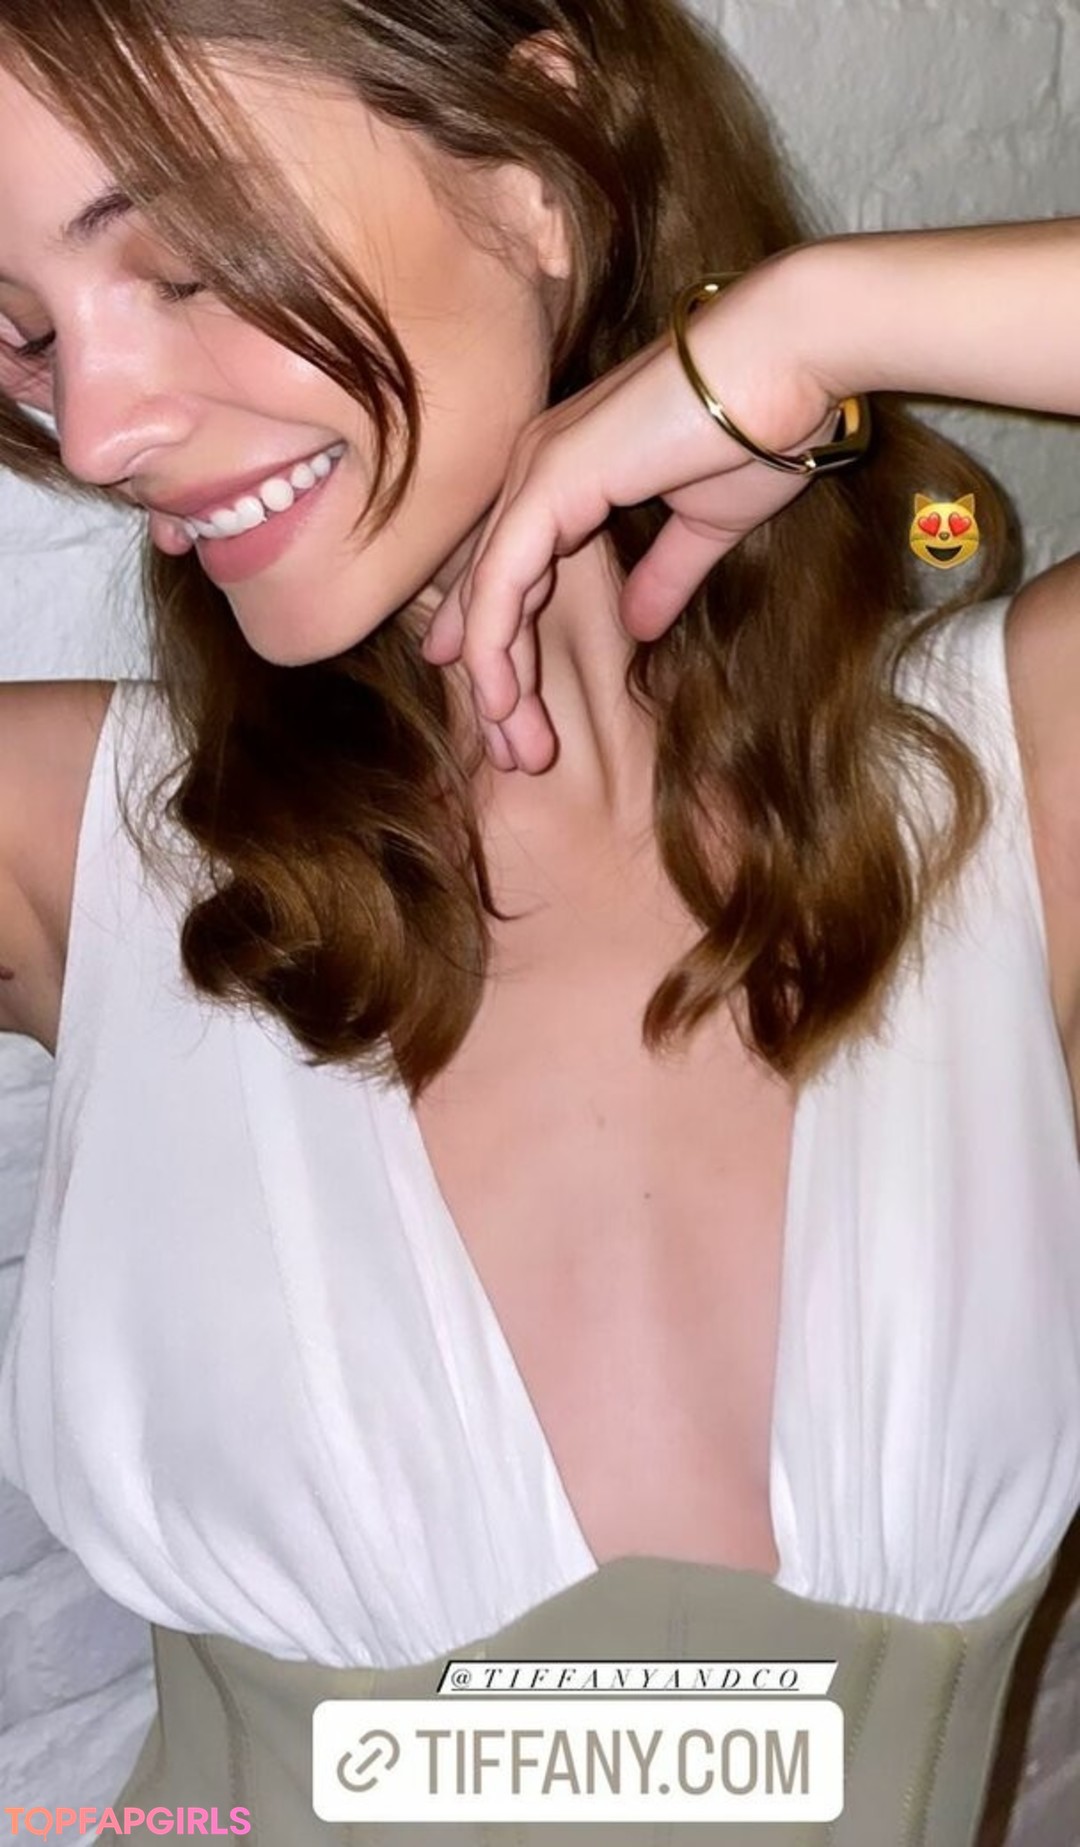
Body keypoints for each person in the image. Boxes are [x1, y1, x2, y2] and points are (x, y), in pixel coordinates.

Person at [0, 2, 1076, 1842]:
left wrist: (820, 327)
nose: (95, 429)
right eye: (22, 332)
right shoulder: (74, 842)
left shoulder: (1009, 795)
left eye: (182, 260)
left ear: (529, 172)